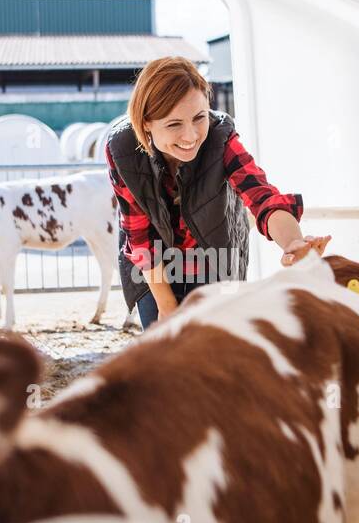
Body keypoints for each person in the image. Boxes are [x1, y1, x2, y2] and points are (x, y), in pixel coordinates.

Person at [105, 56, 330, 328]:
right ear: (146, 123)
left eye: (199, 118)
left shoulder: (221, 137)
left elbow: (261, 196)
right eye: (174, 124)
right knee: (165, 351)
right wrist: (167, 308)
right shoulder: (122, 150)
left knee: (212, 349)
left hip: (214, 258)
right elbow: (139, 236)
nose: (190, 136)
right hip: (153, 269)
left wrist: (293, 243)